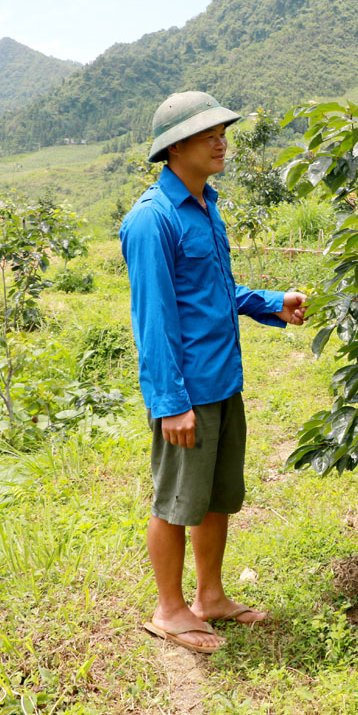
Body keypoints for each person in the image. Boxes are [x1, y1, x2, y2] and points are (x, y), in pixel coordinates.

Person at [120, 91, 306, 655]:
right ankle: (169, 609)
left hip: (223, 380)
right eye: (208, 135)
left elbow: (217, 291)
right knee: (175, 501)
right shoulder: (152, 220)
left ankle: (211, 597)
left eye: (222, 131)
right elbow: (154, 320)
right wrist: (169, 402)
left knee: (216, 498)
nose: (221, 141)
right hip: (188, 390)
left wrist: (274, 301)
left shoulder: (206, 204)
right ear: (175, 147)